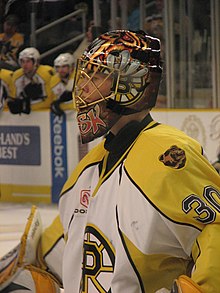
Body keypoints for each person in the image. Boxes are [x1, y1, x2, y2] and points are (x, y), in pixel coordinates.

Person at [1, 30, 220, 293]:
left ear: (131, 83)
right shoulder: (87, 169)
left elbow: (215, 231)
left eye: (97, 76)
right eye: (85, 75)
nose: (82, 87)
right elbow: (65, 255)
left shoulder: (170, 156)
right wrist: (32, 276)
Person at [7, 47, 55, 114]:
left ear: (36, 62)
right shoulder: (16, 75)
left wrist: (26, 106)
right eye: (22, 61)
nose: (25, 65)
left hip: (46, 114)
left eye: (28, 61)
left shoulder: (46, 73)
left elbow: (50, 100)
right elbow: (14, 99)